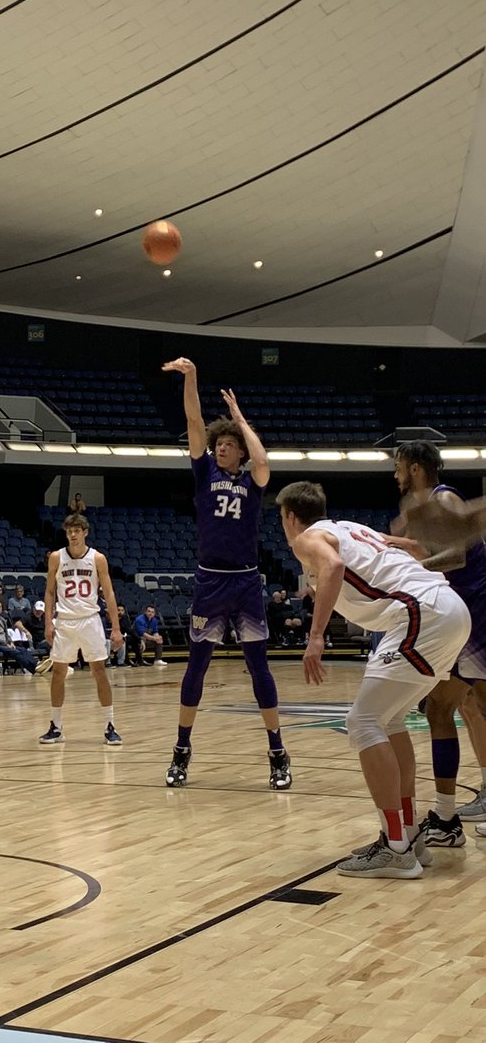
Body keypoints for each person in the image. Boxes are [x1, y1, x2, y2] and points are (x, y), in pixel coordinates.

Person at [278, 480, 471, 878]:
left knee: (363, 721)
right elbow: (415, 549)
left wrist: (316, 637)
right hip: (448, 608)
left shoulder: (307, 539)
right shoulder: (352, 527)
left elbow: (332, 567)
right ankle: (407, 834)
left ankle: (396, 848)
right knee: (390, 720)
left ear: (290, 517)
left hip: (422, 615)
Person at [161, 357, 290, 790]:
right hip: (210, 581)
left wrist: (240, 420)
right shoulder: (204, 473)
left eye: (229, 444)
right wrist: (193, 376)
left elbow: (264, 459)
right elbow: (194, 420)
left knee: (259, 669)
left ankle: (276, 750)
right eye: (220, 443)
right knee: (195, 668)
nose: (222, 447)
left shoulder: (253, 482)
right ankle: (181, 748)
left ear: (238, 449)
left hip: (246, 582)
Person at [388, 441, 486, 843]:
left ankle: (447, 820)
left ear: (414, 468)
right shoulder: (426, 506)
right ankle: (452, 816)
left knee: (450, 707)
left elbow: (456, 558)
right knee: (457, 705)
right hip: (470, 610)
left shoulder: (443, 497)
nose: (395, 474)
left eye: (398, 467)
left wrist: (415, 573)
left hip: (477, 609)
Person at [39, 513, 124, 745]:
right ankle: (56, 726)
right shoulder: (56, 557)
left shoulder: (98, 558)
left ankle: (110, 725)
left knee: (99, 672)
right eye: (69, 531)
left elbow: (109, 593)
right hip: (65, 621)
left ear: (85, 532)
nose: (73, 535)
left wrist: (116, 628)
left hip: (90, 619)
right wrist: (48, 622)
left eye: (77, 530)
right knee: (58, 673)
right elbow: (49, 592)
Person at [0, 599, 50, 675]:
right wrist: (6, 644)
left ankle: (37, 664)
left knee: (23, 650)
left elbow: (6, 634)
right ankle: (35, 668)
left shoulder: (2, 620)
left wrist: (11, 642)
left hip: (5, 644)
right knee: (15, 652)